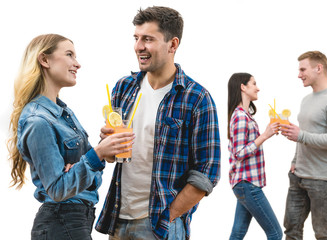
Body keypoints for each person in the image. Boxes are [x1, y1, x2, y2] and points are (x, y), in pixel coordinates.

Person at [95, 6, 221, 240]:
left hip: (159, 226)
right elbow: (112, 157)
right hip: (118, 218)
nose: (138, 46)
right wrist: (107, 145)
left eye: (148, 39)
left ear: (172, 45)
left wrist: (169, 216)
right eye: (136, 38)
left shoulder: (196, 98)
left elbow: (207, 173)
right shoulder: (124, 88)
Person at [7, 34, 135, 240]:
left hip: (74, 221)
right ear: (45, 60)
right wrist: (96, 155)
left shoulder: (63, 114)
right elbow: (58, 189)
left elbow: (90, 179)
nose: (78, 64)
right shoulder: (38, 120)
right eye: (69, 55)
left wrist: (99, 153)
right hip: (62, 222)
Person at [280, 51, 327, 240]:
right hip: (298, 176)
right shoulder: (306, 100)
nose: (298, 74)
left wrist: (301, 135)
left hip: (323, 180)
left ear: (318, 68)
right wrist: (295, 159)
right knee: (291, 231)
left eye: (303, 69)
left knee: (323, 234)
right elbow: (304, 133)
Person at [227, 73, 283, 240]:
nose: (258, 88)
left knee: (237, 234)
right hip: (247, 183)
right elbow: (238, 153)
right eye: (254, 84)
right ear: (243, 87)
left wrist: (266, 133)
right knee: (275, 233)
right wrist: (265, 135)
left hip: (245, 183)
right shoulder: (240, 117)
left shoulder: (245, 116)